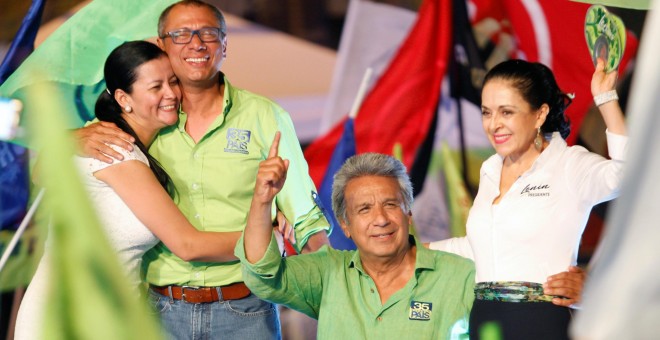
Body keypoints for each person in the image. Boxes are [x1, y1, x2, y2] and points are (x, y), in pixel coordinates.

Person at [75, 1, 330, 338]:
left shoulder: (265, 117)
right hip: (159, 311)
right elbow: (62, 160)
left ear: (225, 45)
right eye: (180, 34)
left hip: (246, 310)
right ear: (161, 45)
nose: (196, 43)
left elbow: (305, 218)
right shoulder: (146, 117)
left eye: (208, 33)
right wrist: (69, 137)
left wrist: (335, 289)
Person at [15, 40, 249, 340]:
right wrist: (266, 239)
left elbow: (42, 172)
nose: (172, 94)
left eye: (173, 81)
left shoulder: (103, 137)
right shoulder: (115, 150)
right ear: (124, 99)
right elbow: (188, 245)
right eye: (156, 87)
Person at [429, 58, 626, 339]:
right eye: (486, 113)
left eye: (506, 112)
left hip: (541, 324)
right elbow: (480, 248)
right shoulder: (490, 169)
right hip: (485, 323)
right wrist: (414, 248)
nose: (493, 124)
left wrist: (606, 98)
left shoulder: (568, 164)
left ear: (539, 114)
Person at [238, 149, 476, 339]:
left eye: (391, 205)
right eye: (364, 209)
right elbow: (263, 273)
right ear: (345, 226)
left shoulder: (461, 275)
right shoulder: (328, 273)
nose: (381, 219)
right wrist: (262, 199)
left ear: (408, 214)